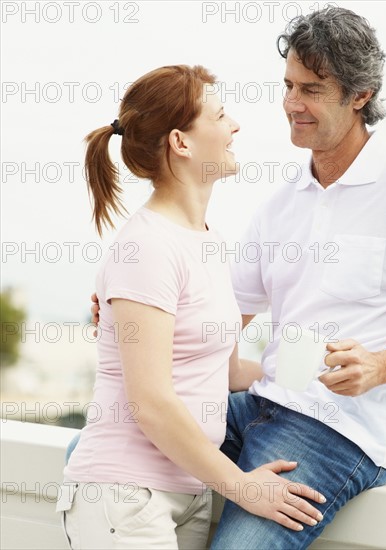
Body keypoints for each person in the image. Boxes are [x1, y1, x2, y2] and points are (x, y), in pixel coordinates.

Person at [90, 8, 386, 550]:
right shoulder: (280, 204)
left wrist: (381, 366)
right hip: (256, 403)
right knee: (98, 458)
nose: (290, 103)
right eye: (287, 85)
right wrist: (131, 307)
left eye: (310, 89)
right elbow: (215, 321)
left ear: (359, 95)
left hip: (338, 432)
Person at [58, 64, 325, 550]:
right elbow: (152, 403)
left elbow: (223, 373)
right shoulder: (148, 248)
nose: (235, 126)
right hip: (124, 496)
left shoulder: (207, 242)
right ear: (180, 143)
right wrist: (243, 486)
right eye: (221, 116)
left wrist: (318, 369)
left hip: (188, 494)